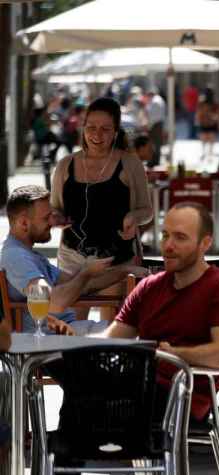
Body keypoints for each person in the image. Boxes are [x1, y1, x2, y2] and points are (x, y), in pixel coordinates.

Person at [70, 202, 219, 475]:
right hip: (137, 390)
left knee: (80, 405)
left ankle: (81, 442)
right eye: (165, 235)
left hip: (184, 395)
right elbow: (113, 342)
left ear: (205, 243)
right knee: (74, 384)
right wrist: (76, 339)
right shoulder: (149, 287)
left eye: (180, 237)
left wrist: (171, 354)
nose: (168, 245)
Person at [50, 96, 152, 322]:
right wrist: (55, 218)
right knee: (71, 327)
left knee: (112, 327)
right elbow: (55, 208)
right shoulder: (65, 165)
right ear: (82, 128)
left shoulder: (130, 163)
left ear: (116, 131)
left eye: (106, 129)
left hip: (117, 260)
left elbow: (147, 211)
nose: (97, 135)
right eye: (91, 127)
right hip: (72, 259)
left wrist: (134, 217)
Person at [1, 185, 131, 335]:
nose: (52, 222)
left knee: (131, 327)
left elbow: (84, 285)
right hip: (53, 337)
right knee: (131, 332)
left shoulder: (30, 255)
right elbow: (52, 302)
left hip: (67, 330)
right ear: (24, 223)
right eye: (46, 218)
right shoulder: (16, 257)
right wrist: (85, 273)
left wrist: (126, 271)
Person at [144, 88, 166, 168]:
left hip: (155, 125)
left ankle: (154, 161)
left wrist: (148, 126)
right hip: (157, 124)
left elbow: (152, 116)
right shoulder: (158, 100)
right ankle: (155, 160)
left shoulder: (155, 102)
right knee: (157, 144)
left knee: (154, 144)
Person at [196, 87, 219, 159]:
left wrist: (198, 120)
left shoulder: (201, 102)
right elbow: (217, 113)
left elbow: (198, 112)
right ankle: (210, 153)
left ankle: (204, 153)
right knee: (211, 138)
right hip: (212, 121)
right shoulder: (215, 102)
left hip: (204, 121)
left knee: (203, 138)